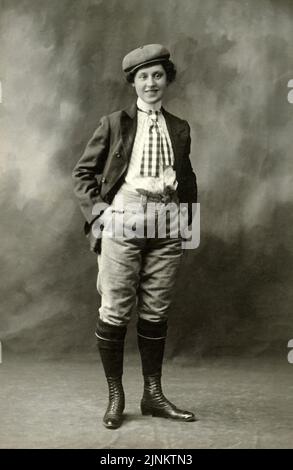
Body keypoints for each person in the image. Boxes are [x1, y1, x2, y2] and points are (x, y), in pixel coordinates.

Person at [72, 44, 198, 429]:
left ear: (167, 79)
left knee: (156, 310)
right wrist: (100, 217)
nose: (151, 83)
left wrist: (186, 224)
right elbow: (83, 174)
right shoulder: (114, 123)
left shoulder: (179, 127)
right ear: (133, 83)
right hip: (123, 221)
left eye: (158, 75)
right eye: (143, 77)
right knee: (114, 309)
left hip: (167, 226)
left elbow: (187, 178)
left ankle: (153, 395)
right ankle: (116, 396)